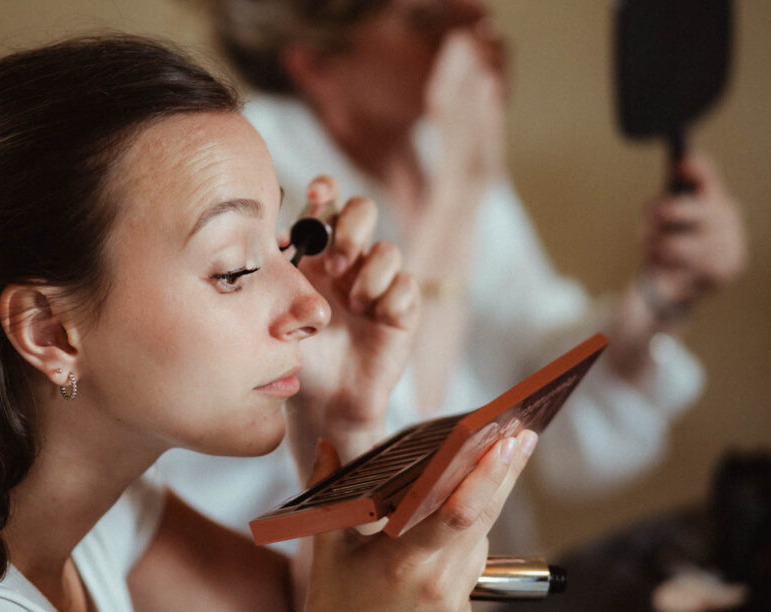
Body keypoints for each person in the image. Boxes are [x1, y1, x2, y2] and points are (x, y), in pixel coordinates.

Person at [0, 35, 539, 612]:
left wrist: (340, 418)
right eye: (234, 268)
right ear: (50, 333)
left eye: (283, 246)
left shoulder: (75, 516)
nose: (311, 304)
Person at [155, 0, 748, 554]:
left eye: (471, 8)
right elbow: (390, 473)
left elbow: (542, 384)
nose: (476, 34)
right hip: (314, 602)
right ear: (317, 65)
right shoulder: (255, 193)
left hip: (466, 602)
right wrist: (461, 190)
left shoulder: (438, 149)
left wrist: (660, 297)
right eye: (429, 20)